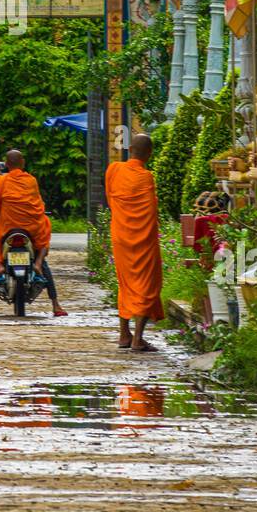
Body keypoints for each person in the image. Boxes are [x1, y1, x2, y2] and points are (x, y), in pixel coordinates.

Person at [0, 149, 66, 317]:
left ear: (6, 165)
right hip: (31, 229)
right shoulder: (31, 180)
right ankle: (55, 303)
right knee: (43, 240)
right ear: (23, 164)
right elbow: (38, 206)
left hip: (8, 229)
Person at [104, 133, 164, 352]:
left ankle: (123, 334)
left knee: (126, 284)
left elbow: (111, 200)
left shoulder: (114, 170)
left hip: (121, 236)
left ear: (129, 149)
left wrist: (123, 218)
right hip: (143, 240)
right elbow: (151, 210)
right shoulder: (146, 177)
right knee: (146, 286)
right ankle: (138, 338)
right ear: (149, 154)